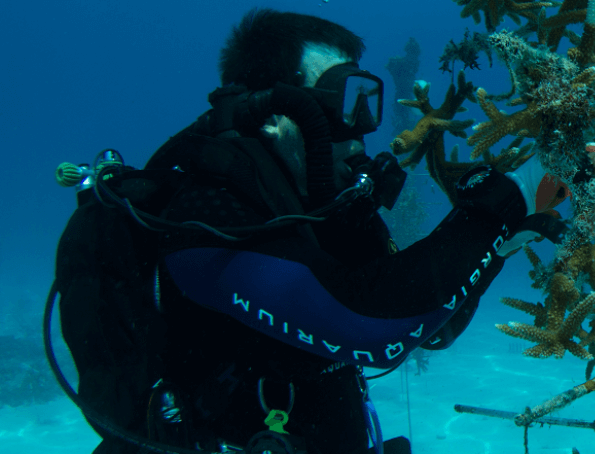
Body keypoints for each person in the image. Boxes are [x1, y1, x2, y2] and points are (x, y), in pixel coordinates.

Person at [55, 8, 565, 454]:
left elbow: (431, 325)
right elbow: (372, 328)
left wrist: (505, 236)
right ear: (274, 115)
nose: (362, 126)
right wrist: (507, 196)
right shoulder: (203, 218)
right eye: (342, 102)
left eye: (367, 101)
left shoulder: (319, 209)